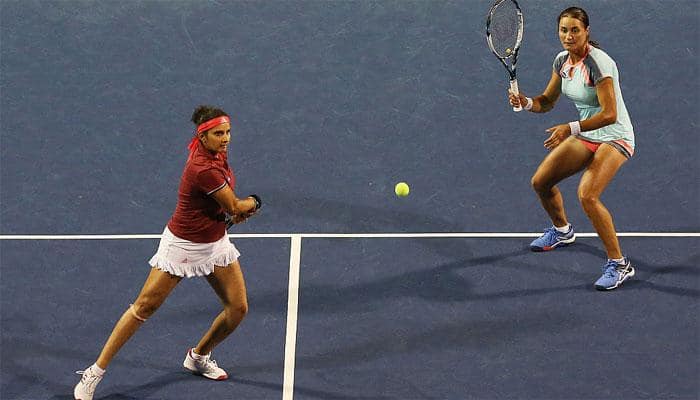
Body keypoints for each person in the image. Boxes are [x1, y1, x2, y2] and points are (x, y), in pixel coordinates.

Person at [74, 105, 261, 400]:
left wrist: (225, 213)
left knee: (238, 308)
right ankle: (94, 372)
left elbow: (223, 206)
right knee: (142, 308)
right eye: (218, 134)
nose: (225, 139)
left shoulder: (216, 154)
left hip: (214, 244)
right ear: (202, 136)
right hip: (182, 247)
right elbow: (236, 206)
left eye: (227, 132)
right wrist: (254, 202)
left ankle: (198, 357)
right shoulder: (204, 168)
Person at [508, 7, 635, 291]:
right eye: (564, 30)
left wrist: (570, 128)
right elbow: (547, 101)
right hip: (588, 132)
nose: (568, 36)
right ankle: (563, 232)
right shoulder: (562, 62)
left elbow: (610, 114)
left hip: (614, 135)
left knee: (587, 195)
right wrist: (526, 102)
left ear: (587, 31)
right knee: (541, 182)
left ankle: (619, 264)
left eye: (575, 30)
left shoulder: (599, 63)